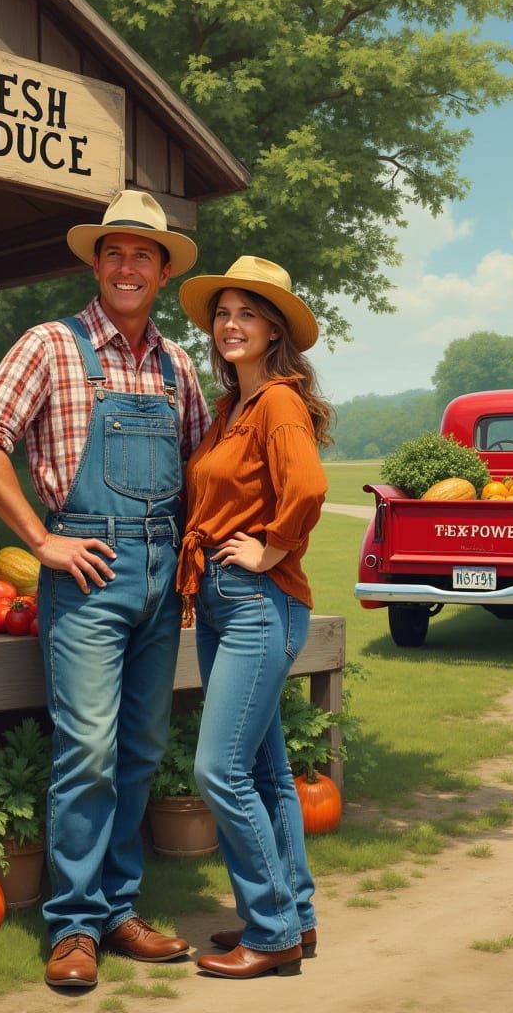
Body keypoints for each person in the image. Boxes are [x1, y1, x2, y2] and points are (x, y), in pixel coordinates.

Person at [0, 190, 211, 989]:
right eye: (114, 253)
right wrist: (39, 539)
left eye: (143, 255)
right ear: (97, 265)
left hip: (161, 580)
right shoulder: (50, 346)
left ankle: (117, 910)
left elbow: (203, 467)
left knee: (138, 749)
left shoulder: (176, 366)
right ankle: (71, 926)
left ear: (163, 273)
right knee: (90, 749)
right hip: (88, 575)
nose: (127, 266)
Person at [174, 256, 331, 979]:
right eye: (223, 313)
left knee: (219, 769)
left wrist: (271, 548)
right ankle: (294, 916)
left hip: (257, 605)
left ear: (274, 332)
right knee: (266, 773)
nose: (230, 324)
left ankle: (269, 935)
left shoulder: (277, 402)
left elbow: (307, 487)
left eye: (248, 314)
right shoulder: (231, 408)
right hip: (220, 600)